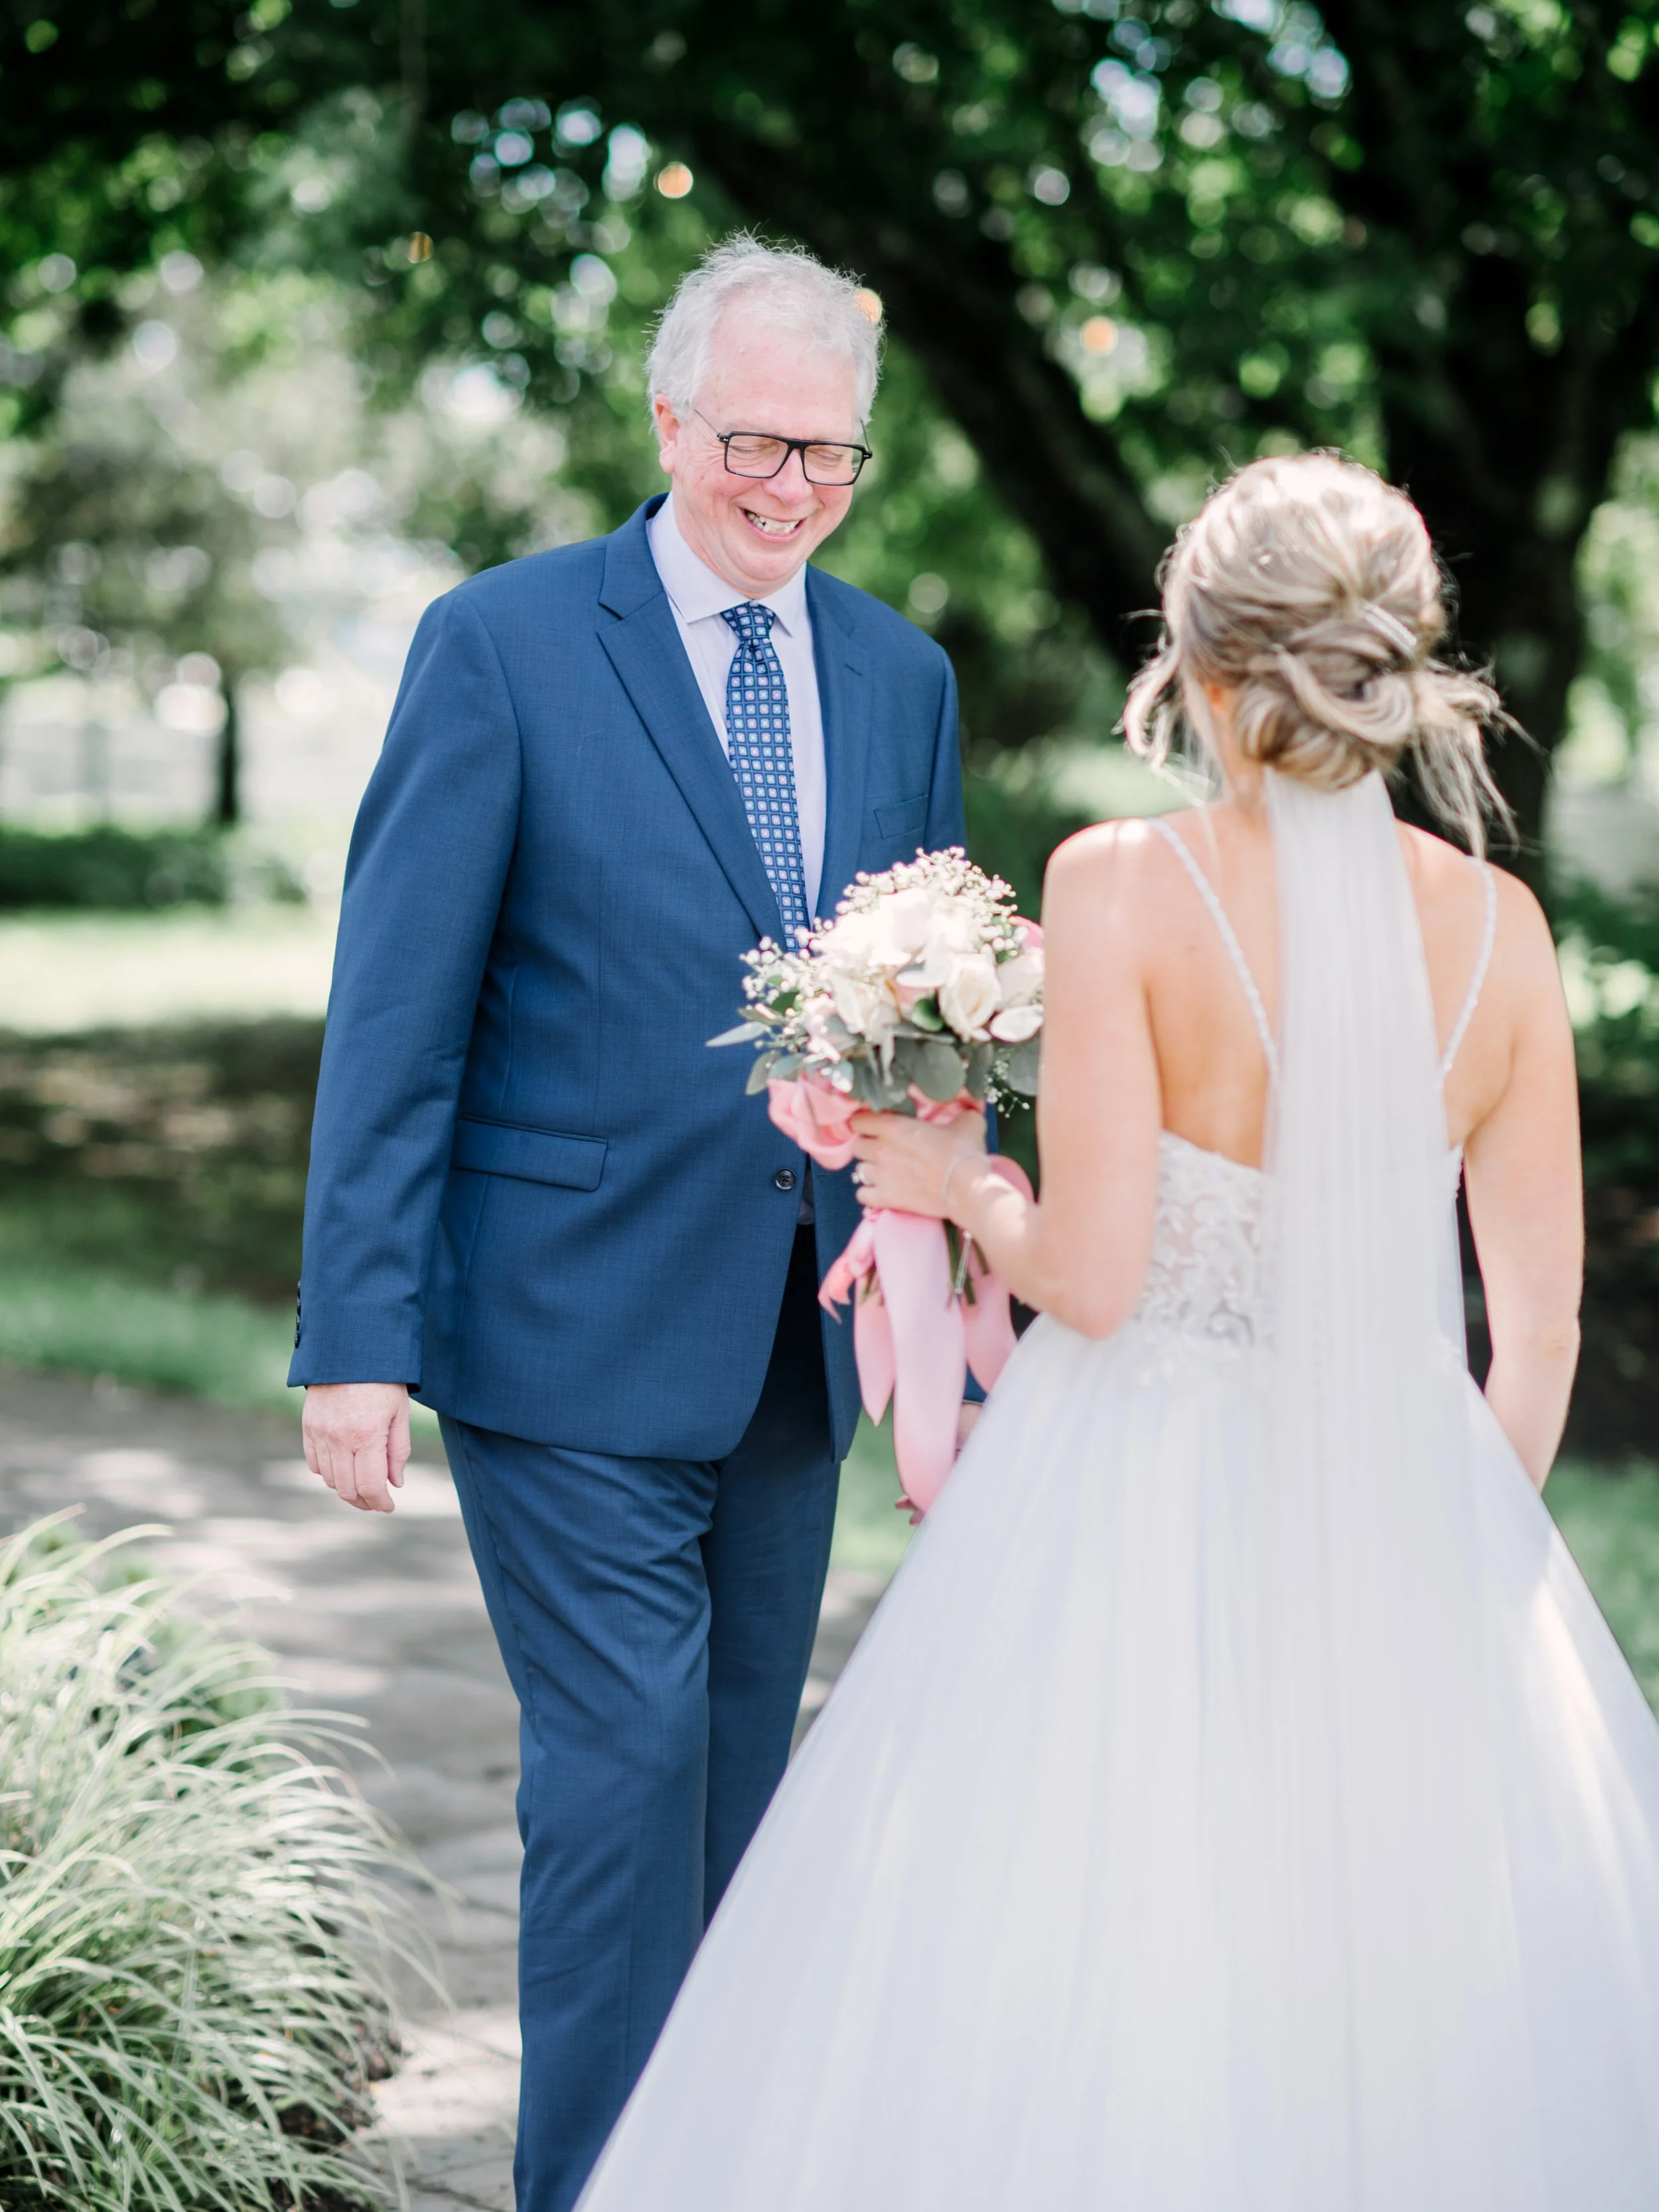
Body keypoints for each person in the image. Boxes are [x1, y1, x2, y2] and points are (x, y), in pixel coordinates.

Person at [575, 453, 1659, 2211]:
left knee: (1079, 1944)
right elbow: (1538, 1327)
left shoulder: (1124, 885)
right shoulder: (1504, 931)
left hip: (1134, 1487)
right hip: (1404, 1513)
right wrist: (1452, 1549)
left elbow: (1089, 1274)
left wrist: (951, 1175)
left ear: (1200, 667)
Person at [289, 236, 975, 2212]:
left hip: (799, 1331)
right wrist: (357, 1333)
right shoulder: (501, 643)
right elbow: (399, 1006)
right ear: (670, 420)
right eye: (753, 442)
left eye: (829, 456)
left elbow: (925, 1019)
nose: (789, 488)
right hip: (561, 1320)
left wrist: (944, 1304)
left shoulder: (900, 675)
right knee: (622, 1776)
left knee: (747, 1787)